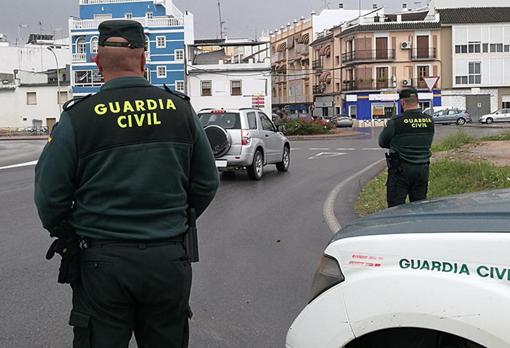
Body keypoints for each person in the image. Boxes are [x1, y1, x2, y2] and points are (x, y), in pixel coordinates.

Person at [34, 20, 219, 348]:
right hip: (168, 260)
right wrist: (172, 220)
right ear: (144, 60)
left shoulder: (79, 117)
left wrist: (70, 230)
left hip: (103, 264)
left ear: (97, 62)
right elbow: (206, 183)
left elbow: (50, 196)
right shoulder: (180, 110)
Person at [378, 88, 435, 208]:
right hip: (422, 169)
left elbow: (382, 142)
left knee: (395, 209)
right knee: (419, 207)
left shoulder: (396, 121)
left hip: (400, 170)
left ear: (402, 102)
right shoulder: (429, 121)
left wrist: (397, 144)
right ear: (418, 101)